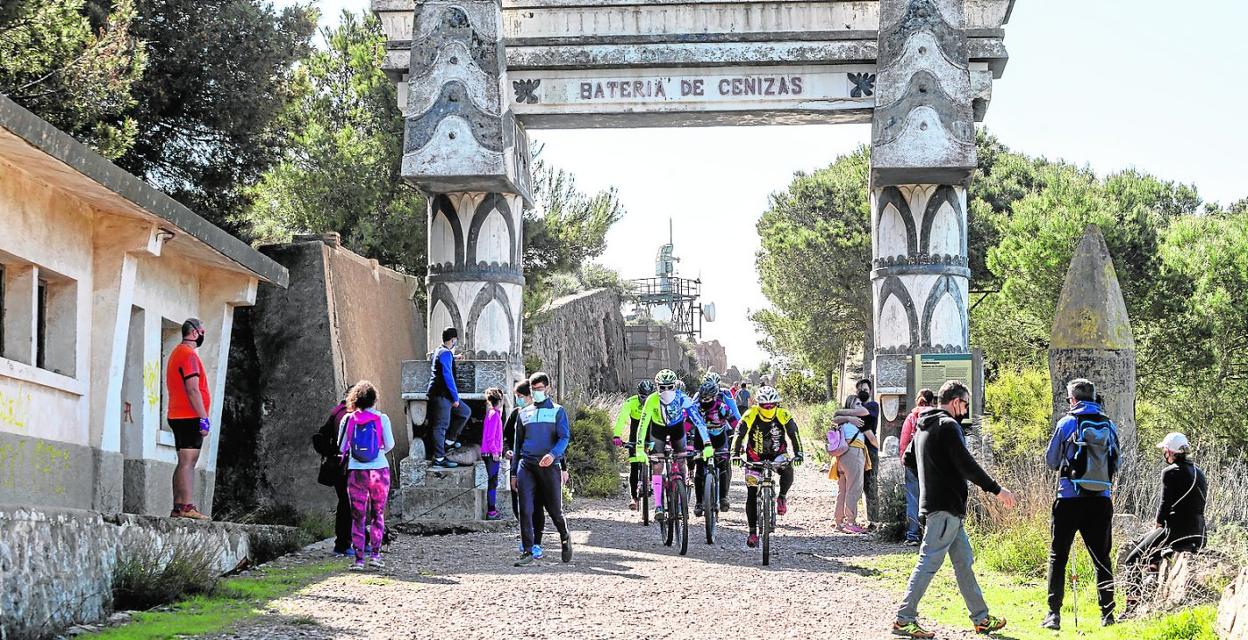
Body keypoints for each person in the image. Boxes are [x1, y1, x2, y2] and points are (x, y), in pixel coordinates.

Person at [892, 380, 1015, 638]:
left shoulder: (923, 425)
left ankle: (981, 619)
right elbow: (966, 464)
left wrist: (931, 477)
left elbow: (908, 459)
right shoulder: (948, 426)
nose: (966, 409)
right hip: (945, 507)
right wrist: (997, 489)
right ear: (956, 402)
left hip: (944, 507)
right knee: (928, 562)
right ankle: (904, 619)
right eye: (965, 404)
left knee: (963, 562)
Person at [1042, 378, 1121, 630]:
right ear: (1094, 398)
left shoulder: (1067, 423)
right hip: (1100, 500)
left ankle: (1053, 615)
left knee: (1058, 556)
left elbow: (1052, 460)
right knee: (1102, 558)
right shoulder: (1109, 425)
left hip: (1068, 499)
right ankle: (1107, 615)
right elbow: (1116, 463)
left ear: (1073, 399)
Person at [1123, 432, 1208, 613]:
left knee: (1132, 559)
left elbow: (1164, 504)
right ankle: (1153, 571)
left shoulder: (1170, 472)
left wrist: (1158, 523)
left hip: (1176, 531)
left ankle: (1131, 607)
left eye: (1165, 450)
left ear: (1170, 452)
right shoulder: (1199, 473)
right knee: (1153, 551)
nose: (1164, 454)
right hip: (1200, 533)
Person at [511, 372, 573, 566]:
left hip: (549, 465)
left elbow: (564, 437)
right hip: (527, 465)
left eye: (539, 389)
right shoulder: (523, 413)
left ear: (547, 388)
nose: (536, 392)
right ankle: (528, 550)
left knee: (554, 510)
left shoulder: (557, 411)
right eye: (533, 389)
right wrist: (514, 472)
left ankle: (564, 536)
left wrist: (553, 454)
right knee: (526, 509)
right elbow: (517, 445)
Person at [732, 385, 803, 548]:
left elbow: (794, 434)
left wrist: (799, 454)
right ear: (758, 404)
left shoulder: (783, 414)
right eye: (765, 405)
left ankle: (782, 497)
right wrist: (734, 454)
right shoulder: (751, 413)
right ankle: (752, 532)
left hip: (778, 454)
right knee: (751, 492)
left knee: (788, 469)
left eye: (773, 405)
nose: (769, 408)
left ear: (777, 404)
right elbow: (739, 434)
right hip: (754, 456)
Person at [637, 369, 711, 522]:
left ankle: (680, 500)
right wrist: (639, 448)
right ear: (657, 387)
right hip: (658, 431)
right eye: (662, 387)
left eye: (669, 387)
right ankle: (658, 505)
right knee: (657, 465)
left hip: (677, 430)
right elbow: (643, 424)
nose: (665, 390)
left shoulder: (683, 398)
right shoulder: (652, 400)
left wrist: (707, 443)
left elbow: (698, 420)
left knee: (681, 461)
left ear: (675, 386)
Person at [337, 380, 395, 571]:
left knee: (358, 515)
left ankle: (359, 559)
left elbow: (341, 445)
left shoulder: (348, 419)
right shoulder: (382, 418)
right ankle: (376, 556)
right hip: (379, 470)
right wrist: (376, 452)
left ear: (355, 398)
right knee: (377, 514)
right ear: (373, 399)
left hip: (356, 471)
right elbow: (390, 444)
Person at [165, 318, 212, 520]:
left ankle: (177, 506)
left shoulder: (176, 353)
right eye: (202, 332)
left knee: (182, 461)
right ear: (194, 333)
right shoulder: (189, 356)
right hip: (189, 416)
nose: (202, 336)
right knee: (188, 462)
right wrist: (203, 417)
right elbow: (193, 389)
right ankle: (186, 506)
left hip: (176, 415)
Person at [312, 398, 353, 555]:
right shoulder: (347, 415)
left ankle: (347, 542)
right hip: (346, 466)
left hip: (338, 465)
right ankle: (343, 543)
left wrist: (329, 453)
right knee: (348, 505)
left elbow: (319, 437)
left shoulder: (336, 413)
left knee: (346, 503)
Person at [837, 378, 881, 522]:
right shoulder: (856, 406)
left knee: (870, 486)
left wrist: (844, 414)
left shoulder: (872, 405)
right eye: (860, 390)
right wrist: (849, 416)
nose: (863, 392)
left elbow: (863, 414)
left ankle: (873, 520)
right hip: (853, 451)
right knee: (852, 487)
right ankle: (849, 518)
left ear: (870, 391)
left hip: (869, 450)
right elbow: (835, 418)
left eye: (865, 390)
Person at [693, 379, 738, 515]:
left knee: (723, 465)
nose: (705, 401)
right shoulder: (695, 407)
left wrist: (740, 437)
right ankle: (699, 502)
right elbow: (687, 424)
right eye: (703, 398)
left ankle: (723, 497)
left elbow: (735, 423)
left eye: (708, 398)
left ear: (714, 397)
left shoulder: (722, 407)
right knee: (699, 469)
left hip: (719, 439)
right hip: (700, 440)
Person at [428, 327, 470, 468]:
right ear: (453, 340)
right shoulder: (445, 353)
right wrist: (455, 397)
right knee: (441, 425)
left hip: (443, 394)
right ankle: (439, 458)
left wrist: (455, 358)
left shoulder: (440, 351)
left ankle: (449, 442)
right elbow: (448, 376)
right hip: (441, 394)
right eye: (455, 340)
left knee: (465, 412)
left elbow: (444, 360)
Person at [899, 389, 936, 545]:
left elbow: (904, 440)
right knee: (933, 499)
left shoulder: (912, 417)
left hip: (913, 462)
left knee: (913, 498)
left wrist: (903, 459)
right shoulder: (937, 417)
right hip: (932, 463)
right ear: (933, 401)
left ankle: (913, 535)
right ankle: (932, 535)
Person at [831, 407, 876, 534]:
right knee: (854, 489)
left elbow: (835, 417)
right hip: (854, 453)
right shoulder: (860, 422)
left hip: (840, 456)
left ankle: (838, 521)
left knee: (843, 490)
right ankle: (851, 522)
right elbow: (872, 439)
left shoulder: (840, 421)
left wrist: (847, 416)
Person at [612, 380, 655, 511]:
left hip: (651, 432)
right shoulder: (631, 402)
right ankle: (634, 498)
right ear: (638, 394)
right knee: (634, 466)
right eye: (642, 397)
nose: (645, 400)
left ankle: (651, 480)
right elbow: (622, 419)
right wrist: (617, 435)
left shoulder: (655, 402)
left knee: (655, 458)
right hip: (635, 435)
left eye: (648, 397)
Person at [482, 387, 505, 520]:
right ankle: (491, 511)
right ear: (500, 400)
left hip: (490, 453)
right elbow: (490, 437)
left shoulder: (493, 414)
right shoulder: (494, 415)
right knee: (493, 482)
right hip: (491, 454)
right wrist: (495, 452)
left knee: (493, 482)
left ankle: (492, 510)